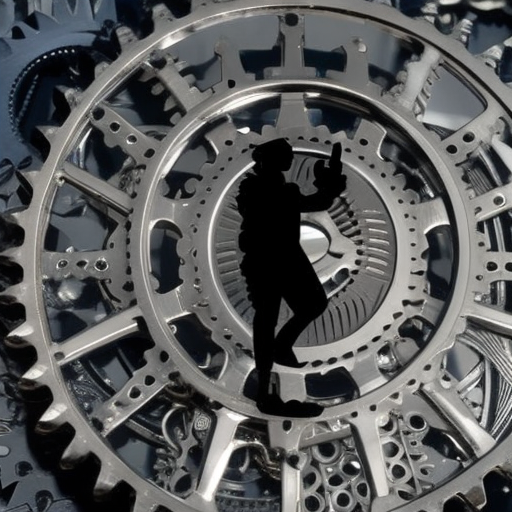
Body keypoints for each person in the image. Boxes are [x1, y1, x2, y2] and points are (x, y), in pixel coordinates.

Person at [237, 138, 346, 417]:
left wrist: (329, 187)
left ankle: (280, 349)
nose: (288, 160)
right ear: (270, 160)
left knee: (310, 305)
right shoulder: (255, 188)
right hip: (267, 259)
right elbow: (307, 202)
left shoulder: (281, 189)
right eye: (284, 156)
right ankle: (265, 391)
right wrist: (328, 187)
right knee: (267, 320)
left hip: (287, 257)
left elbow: (314, 202)